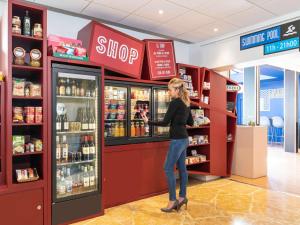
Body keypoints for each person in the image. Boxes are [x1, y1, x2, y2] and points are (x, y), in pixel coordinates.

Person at [141, 78, 194, 213]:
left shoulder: (175, 103)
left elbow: (165, 122)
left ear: (176, 90)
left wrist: (148, 122)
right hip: (184, 139)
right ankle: (182, 197)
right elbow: (191, 122)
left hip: (177, 140)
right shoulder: (186, 102)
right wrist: (179, 121)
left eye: (170, 90)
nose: (169, 92)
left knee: (167, 168)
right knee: (182, 169)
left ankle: (172, 200)